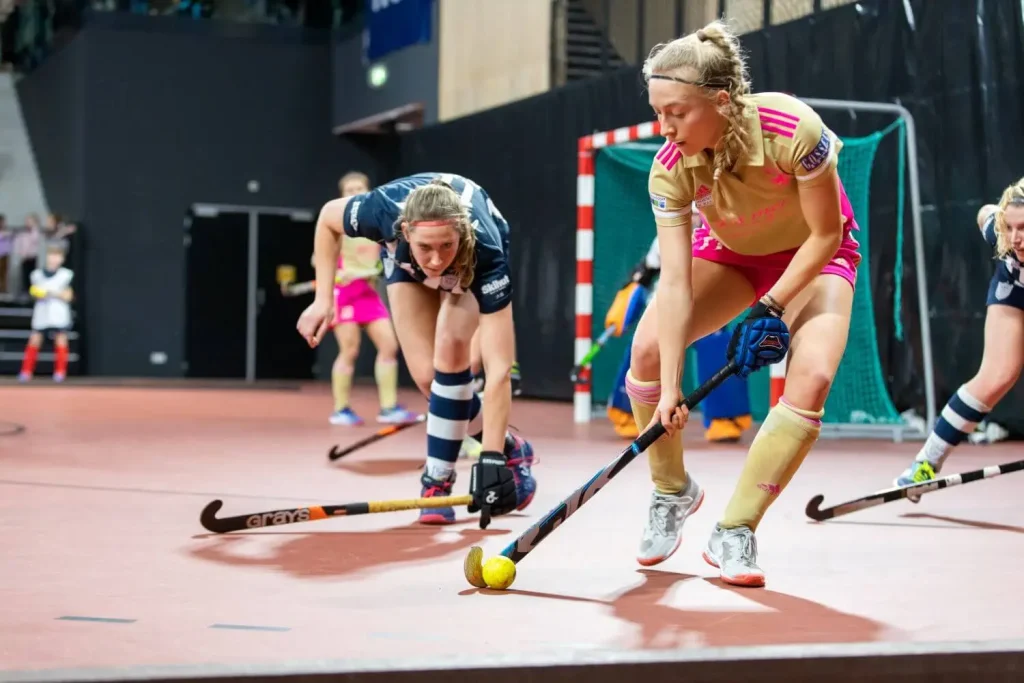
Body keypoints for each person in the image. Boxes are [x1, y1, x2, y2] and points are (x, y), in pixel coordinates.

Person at [626, 20, 861, 587]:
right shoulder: (670, 168)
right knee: (651, 352)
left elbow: (825, 235)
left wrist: (773, 306)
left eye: (677, 112)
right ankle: (671, 491)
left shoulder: (793, 128)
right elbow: (676, 284)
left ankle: (736, 528)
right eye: (659, 112)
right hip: (731, 254)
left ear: (721, 100)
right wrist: (675, 389)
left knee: (813, 379)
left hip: (813, 251)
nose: (665, 127)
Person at [296, 173, 536, 526]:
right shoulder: (379, 210)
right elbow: (327, 220)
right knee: (427, 379)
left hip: (469, 267)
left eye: (445, 246)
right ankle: (516, 449)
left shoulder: (486, 254)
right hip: (404, 263)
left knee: (452, 350)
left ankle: (435, 481)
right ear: (405, 231)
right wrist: (322, 300)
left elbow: (498, 368)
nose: (436, 261)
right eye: (426, 247)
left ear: (461, 235)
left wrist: (490, 458)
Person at [892, 179, 1024, 499]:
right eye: (1011, 227)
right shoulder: (1001, 233)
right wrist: (996, 217)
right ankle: (925, 463)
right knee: (996, 376)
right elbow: (985, 215)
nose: (1017, 238)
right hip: (1014, 288)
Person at [603, 223, 753, 442]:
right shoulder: (666, 234)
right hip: (665, 308)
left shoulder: (724, 232)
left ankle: (726, 418)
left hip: (709, 308)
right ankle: (629, 414)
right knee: (643, 351)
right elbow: (645, 272)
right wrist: (630, 295)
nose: (693, 215)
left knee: (717, 350)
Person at [321, 171, 421, 426]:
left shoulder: (377, 222)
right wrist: (340, 273)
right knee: (350, 350)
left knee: (389, 346)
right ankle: (340, 409)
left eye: (360, 189)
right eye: (349, 190)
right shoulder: (336, 224)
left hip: (369, 294)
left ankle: (388, 408)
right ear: (342, 195)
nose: (355, 193)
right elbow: (319, 259)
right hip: (345, 294)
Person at [18, 244, 74, 382]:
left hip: (58, 313)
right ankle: (26, 372)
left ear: (62, 259)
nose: (54, 258)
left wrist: (52, 293)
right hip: (42, 313)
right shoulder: (36, 275)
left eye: (57, 256)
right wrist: (38, 293)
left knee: (61, 340)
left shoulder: (66, 275)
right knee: (35, 340)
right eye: (52, 255)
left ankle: (60, 372)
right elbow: (34, 293)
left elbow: (68, 296)